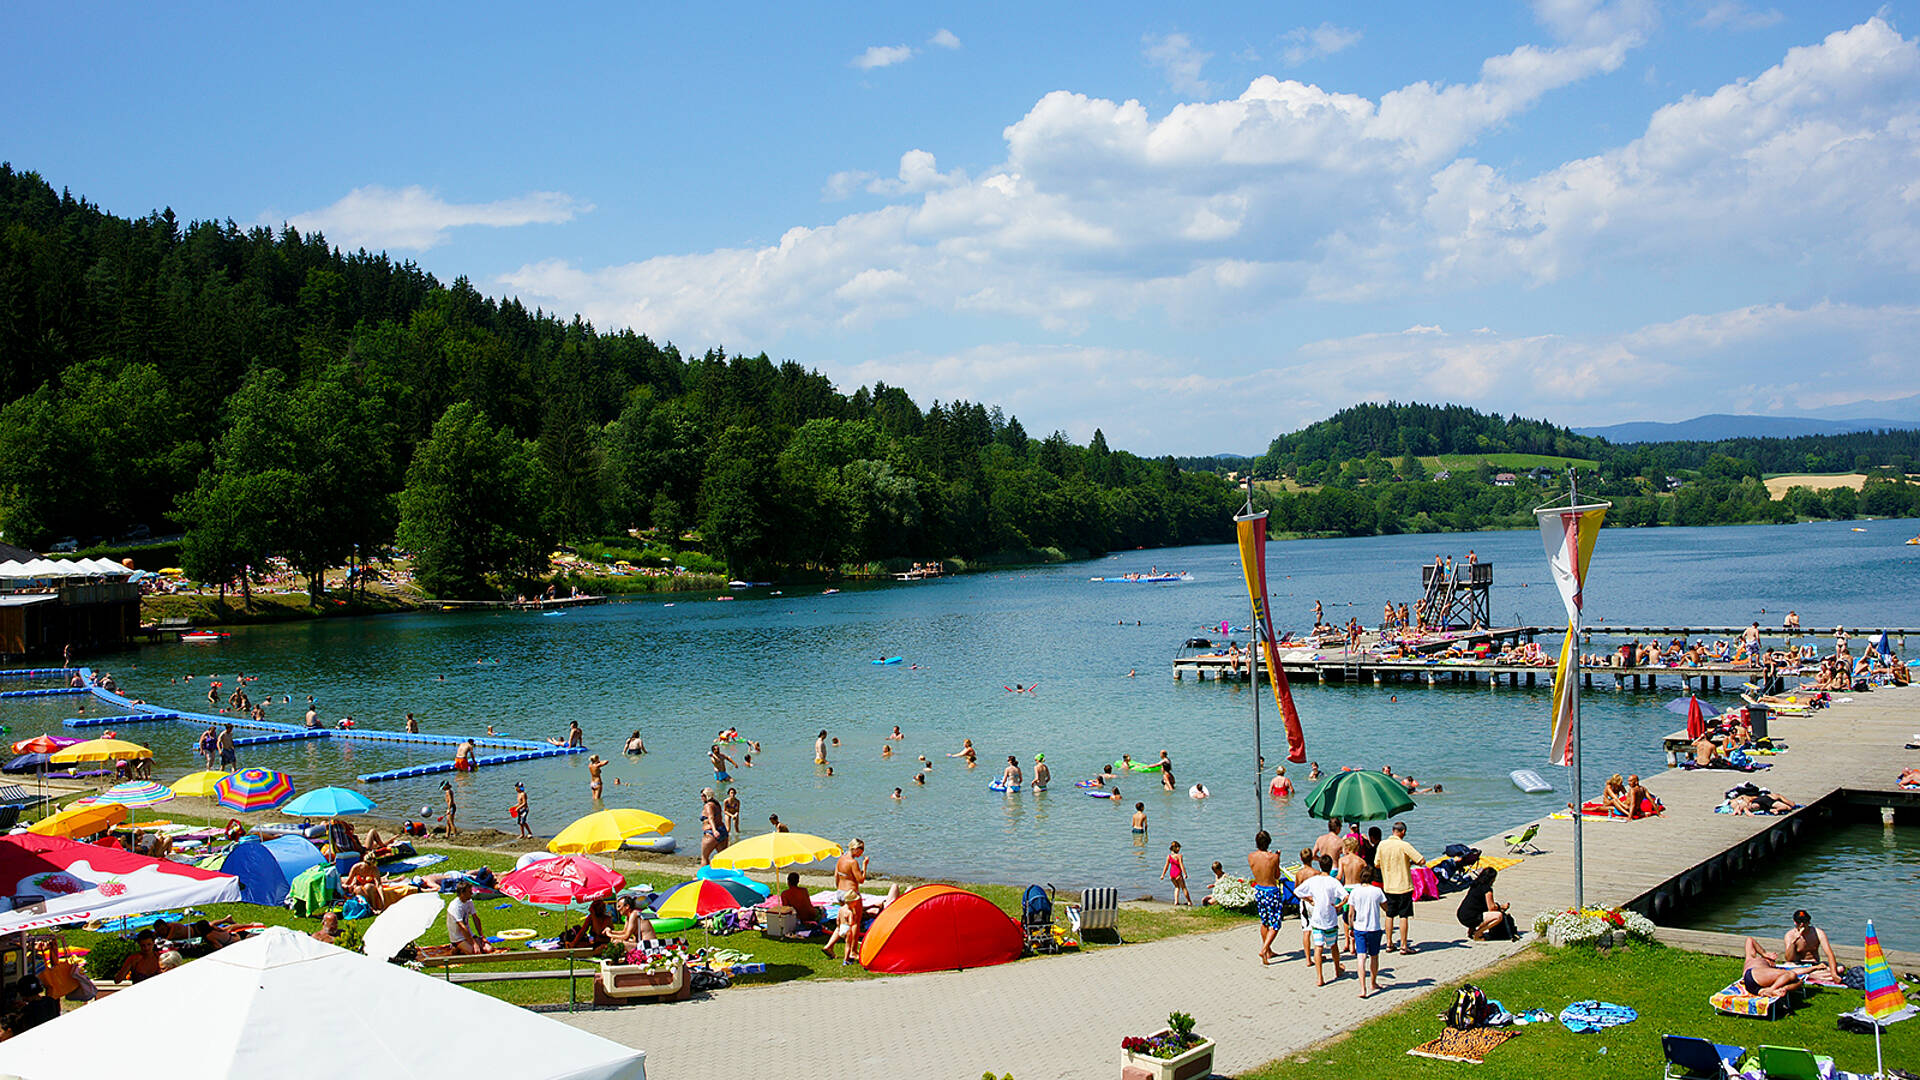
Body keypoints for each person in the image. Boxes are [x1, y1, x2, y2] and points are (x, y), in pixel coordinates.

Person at [1297, 856, 1349, 986]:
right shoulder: (1333, 882)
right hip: (1330, 918)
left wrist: (1309, 899)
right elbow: (1346, 896)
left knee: (1318, 947)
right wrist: (1339, 905)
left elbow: (1297, 891)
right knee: (1333, 945)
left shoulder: (1313, 881)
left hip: (1317, 919)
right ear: (1331, 866)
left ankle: (1320, 977)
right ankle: (1337, 969)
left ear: (1320, 865)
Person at [1374, 821, 1422, 954]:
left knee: (1389, 915)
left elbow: (1376, 863)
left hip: (1388, 885)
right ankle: (1404, 945)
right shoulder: (1404, 845)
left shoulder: (1382, 845)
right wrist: (1408, 862)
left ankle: (1389, 944)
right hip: (1403, 885)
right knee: (1404, 916)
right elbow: (1421, 860)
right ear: (1403, 832)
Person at [825, 838, 870, 963]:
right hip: (851, 894)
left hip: (840, 892)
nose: (862, 853)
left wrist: (839, 890)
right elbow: (860, 879)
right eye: (861, 850)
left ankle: (829, 945)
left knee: (843, 922)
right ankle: (853, 951)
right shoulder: (852, 862)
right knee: (855, 922)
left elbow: (836, 876)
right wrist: (865, 866)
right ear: (855, 849)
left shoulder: (841, 859)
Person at [1348, 866, 1388, 998]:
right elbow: (1385, 907)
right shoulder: (1377, 891)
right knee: (1374, 956)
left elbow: (1351, 913)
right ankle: (1373, 982)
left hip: (1359, 928)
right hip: (1374, 928)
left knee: (1361, 957)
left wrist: (1350, 927)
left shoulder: (1355, 891)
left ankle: (1362, 988)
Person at [1245, 831, 1285, 963]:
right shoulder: (1273, 857)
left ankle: (1268, 950)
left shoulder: (1251, 856)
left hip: (1259, 890)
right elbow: (1277, 875)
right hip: (1271, 891)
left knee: (1265, 921)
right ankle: (1264, 949)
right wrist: (1277, 858)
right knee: (1275, 923)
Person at [1781, 909, 1845, 981]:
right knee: (1788, 967)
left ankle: (1812, 975)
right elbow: (1789, 958)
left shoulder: (1818, 933)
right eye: (1800, 923)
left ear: (1809, 922)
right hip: (1798, 965)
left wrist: (1834, 973)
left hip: (1815, 964)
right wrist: (1794, 941)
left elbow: (1829, 954)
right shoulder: (1790, 935)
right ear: (1795, 922)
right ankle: (1813, 975)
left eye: (1804, 922)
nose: (1802, 925)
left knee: (1840, 968)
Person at [1457, 868, 1516, 940]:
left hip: (1461, 915)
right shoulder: (1487, 889)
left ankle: (1471, 930)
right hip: (1471, 917)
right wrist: (1501, 907)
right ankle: (1478, 933)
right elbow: (1491, 907)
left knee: (1475, 909)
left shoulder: (1475, 885)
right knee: (1498, 916)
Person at [1740, 934, 1804, 999]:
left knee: (1799, 982)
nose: (1773, 958)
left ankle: (1778, 990)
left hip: (1754, 986)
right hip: (1753, 974)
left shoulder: (1751, 959)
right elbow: (1750, 940)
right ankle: (1771, 989)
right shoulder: (1752, 958)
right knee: (1791, 974)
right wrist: (1764, 954)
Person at [447, 881, 490, 954]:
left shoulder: (469, 901)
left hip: (469, 934)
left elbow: (475, 918)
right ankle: (456, 947)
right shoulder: (455, 906)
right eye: (469, 892)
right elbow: (462, 926)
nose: (472, 894)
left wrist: (481, 936)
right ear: (462, 893)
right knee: (474, 952)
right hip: (458, 937)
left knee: (488, 949)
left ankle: (462, 948)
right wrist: (473, 943)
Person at [700, 788, 728, 863]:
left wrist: (714, 830)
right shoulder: (716, 803)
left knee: (704, 857)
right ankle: (725, 874)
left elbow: (711, 818)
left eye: (702, 795)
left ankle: (704, 875)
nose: (701, 797)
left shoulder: (708, 805)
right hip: (722, 831)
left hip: (711, 833)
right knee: (723, 858)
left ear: (707, 796)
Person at [1163, 841, 1192, 906]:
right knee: (1184, 888)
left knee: (1176, 887)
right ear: (1176, 848)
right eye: (1178, 848)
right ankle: (1189, 901)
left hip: (1172, 874)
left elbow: (1166, 866)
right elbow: (1181, 865)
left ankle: (1176, 901)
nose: (1179, 849)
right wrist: (1185, 873)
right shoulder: (1179, 856)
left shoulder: (1169, 856)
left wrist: (1163, 875)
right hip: (1178, 873)